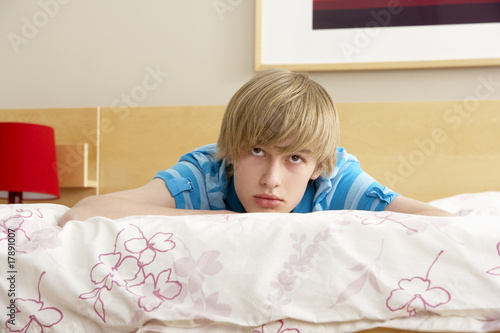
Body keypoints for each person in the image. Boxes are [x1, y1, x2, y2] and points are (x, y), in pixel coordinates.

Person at [59, 69, 451, 226]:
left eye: (295, 158)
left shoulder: (338, 181)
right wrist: (227, 221)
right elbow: (87, 211)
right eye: (257, 151)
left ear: (318, 166)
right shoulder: (204, 174)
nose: (271, 179)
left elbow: (438, 219)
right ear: (230, 150)